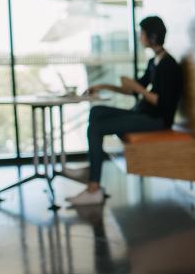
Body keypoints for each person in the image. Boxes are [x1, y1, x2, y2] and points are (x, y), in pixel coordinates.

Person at [66, 16, 183, 206]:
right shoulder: (155, 61)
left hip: (156, 120)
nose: (139, 37)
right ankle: (92, 170)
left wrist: (139, 90)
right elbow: (134, 88)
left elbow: (163, 104)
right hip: (143, 113)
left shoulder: (170, 65)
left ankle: (93, 187)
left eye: (142, 33)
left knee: (96, 128)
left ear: (152, 36)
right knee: (96, 112)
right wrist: (103, 86)